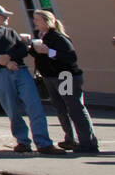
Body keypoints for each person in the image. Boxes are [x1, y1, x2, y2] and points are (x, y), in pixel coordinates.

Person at [0, 5, 64, 155]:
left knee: (35, 106)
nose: (7, 18)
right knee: (12, 108)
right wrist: (4, 61)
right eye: (3, 16)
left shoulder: (10, 32)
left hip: (20, 70)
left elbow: (22, 49)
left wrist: (10, 57)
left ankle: (44, 143)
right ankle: (22, 141)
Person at [31, 10, 98, 154]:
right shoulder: (42, 36)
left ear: (46, 21)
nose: (34, 22)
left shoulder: (58, 37)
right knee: (60, 108)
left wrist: (48, 51)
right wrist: (30, 47)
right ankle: (70, 139)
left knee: (74, 108)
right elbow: (41, 56)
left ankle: (87, 142)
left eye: (37, 19)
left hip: (65, 76)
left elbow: (70, 57)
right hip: (50, 77)